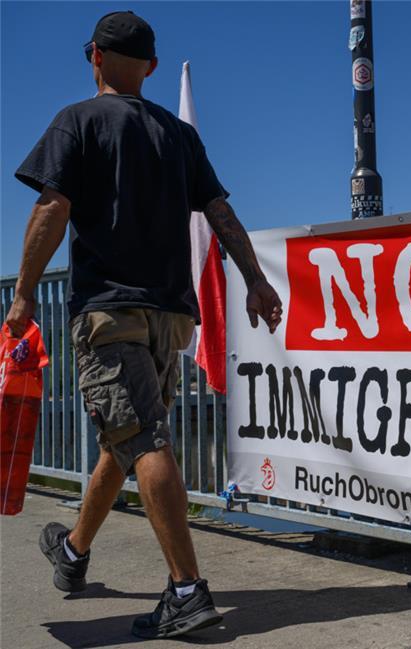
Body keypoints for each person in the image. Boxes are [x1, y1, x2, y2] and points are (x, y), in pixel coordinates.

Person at [5, 10, 282, 639]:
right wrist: (257, 280)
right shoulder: (178, 135)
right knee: (128, 434)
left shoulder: (77, 120)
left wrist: (23, 295)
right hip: (172, 317)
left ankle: (187, 592)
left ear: (95, 58)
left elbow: (52, 206)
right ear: (151, 67)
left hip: (109, 309)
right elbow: (219, 209)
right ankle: (73, 551)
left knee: (144, 438)